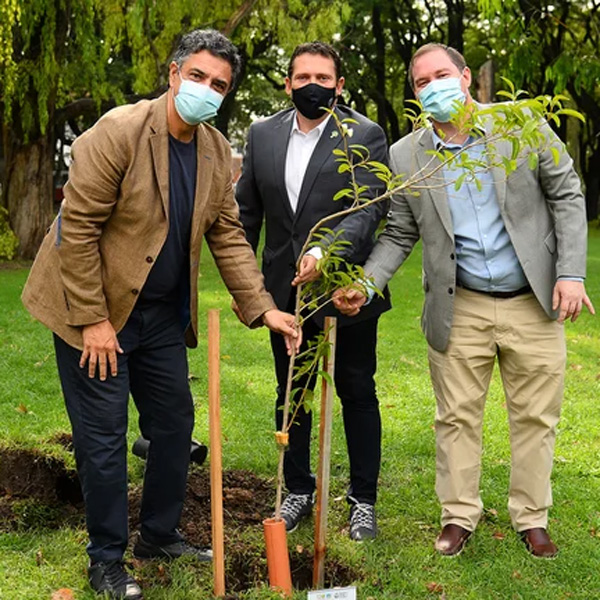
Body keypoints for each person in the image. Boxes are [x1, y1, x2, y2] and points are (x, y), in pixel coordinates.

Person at [22, 29, 299, 600]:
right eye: (197, 76)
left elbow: (228, 235)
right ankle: (106, 560)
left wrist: (264, 308)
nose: (206, 89)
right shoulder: (119, 132)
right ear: (174, 74)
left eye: (218, 84)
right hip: (94, 310)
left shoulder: (215, 151)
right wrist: (93, 321)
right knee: (103, 439)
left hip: (161, 317)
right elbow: (77, 229)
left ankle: (159, 536)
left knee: (174, 427)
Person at [333, 42, 594, 558]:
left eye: (441, 75)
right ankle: (458, 515)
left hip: (533, 298)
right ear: (414, 94)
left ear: (466, 76)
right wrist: (365, 283)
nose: (433, 87)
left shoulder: (520, 125)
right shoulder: (407, 155)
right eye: (422, 82)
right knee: (455, 417)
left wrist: (570, 273)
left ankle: (532, 517)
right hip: (460, 304)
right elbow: (400, 232)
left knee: (536, 417)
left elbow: (567, 194)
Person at [235, 41, 391, 541]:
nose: (313, 86)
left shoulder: (364, 134)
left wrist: (326, 252)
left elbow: (368, 209)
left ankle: (362, 500)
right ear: (288, 84)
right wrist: (247, 287)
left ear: (339, 85)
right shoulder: (261, 134)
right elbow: (247, 215)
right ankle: (298, 489)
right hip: (284, 293)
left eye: (323, 78)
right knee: (292, 391)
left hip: (345, 289)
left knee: (356, 390)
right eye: (303, 77)